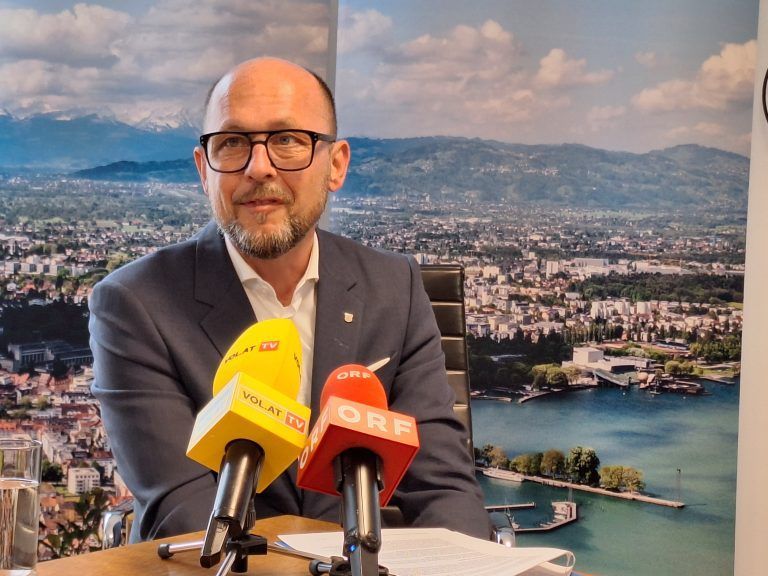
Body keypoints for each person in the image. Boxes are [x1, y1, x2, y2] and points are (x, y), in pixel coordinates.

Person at [89, 57, 491, 543]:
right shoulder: (135, 303)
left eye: (287, 140)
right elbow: (183, 509)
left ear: (336, 164)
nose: (259, 167)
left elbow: (443, 486)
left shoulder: (394, 286)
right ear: (204, 169)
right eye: (233, 143)